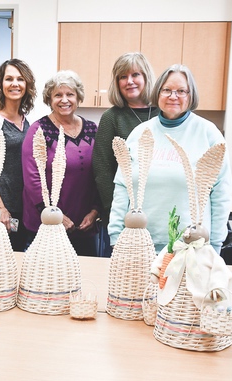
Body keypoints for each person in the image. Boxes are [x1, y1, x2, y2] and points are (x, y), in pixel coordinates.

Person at [108, 64, 232, 254]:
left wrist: (215, 244)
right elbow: (122, 186)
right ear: (158, 92)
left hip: (191, 246)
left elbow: (221, 193)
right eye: (167, 90)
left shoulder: (208, 134)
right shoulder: (140, 133)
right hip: (139, 243)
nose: (173, 96)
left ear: (191, 96)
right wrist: (116, 235)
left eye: (181, 91)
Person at [22, 70, 101, 256]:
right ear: (50, 99)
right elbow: (32, 179)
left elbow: (101, 172)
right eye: (58, 95)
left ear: (78, 97)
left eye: (70, 94)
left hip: (84, 225)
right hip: (47, 224)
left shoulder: (92, 129)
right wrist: (53, 214)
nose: (64, 100)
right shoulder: (39, 130)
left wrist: (96, 211)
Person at [92, 52, 159, 256]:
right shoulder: (112, 118)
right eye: (123, 77)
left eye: (135, 75)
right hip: (122, 215)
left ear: (146, 77)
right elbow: (102, 169)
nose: (129, 81)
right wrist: (117, 212)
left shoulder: (162, 115)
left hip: (157, 211)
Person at [0, 59, 37, 251]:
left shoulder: (26, 121)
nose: (15, 84)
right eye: (9, 79)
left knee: (17, 258)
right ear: (0, 84)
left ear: (26, 85)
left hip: (22, 208)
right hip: (2, 210)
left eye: (20, 79)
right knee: (0, 262)